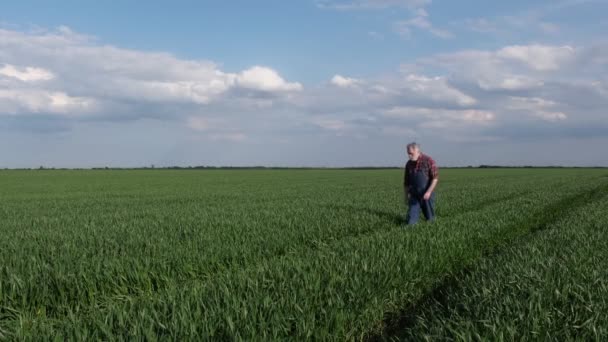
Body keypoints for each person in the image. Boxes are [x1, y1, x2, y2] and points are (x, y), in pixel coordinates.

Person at [403, 142, 438, 225]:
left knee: (430, 220)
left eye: (411, 154)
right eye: (408, 154)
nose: (409, 156)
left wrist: (429, 192)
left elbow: (435, 178)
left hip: (427, 195)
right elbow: (406, 182)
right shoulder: (409, 164)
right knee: (411, 222)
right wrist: (406, 196)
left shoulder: (428, 161)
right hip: (414, 195)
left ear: (418, 151)